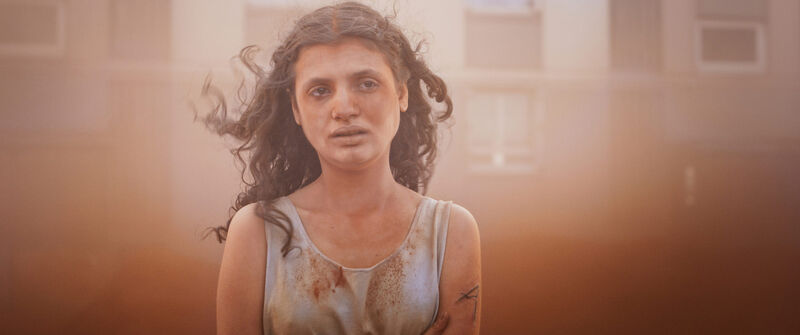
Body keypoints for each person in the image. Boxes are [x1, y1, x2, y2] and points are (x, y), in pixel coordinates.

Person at [203, 2, 480, 334]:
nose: (345, 108)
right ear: (296, 108)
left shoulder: (451, 232)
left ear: (402, 93)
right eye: (320, 91)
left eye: (366, 83)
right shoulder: (256, 233)